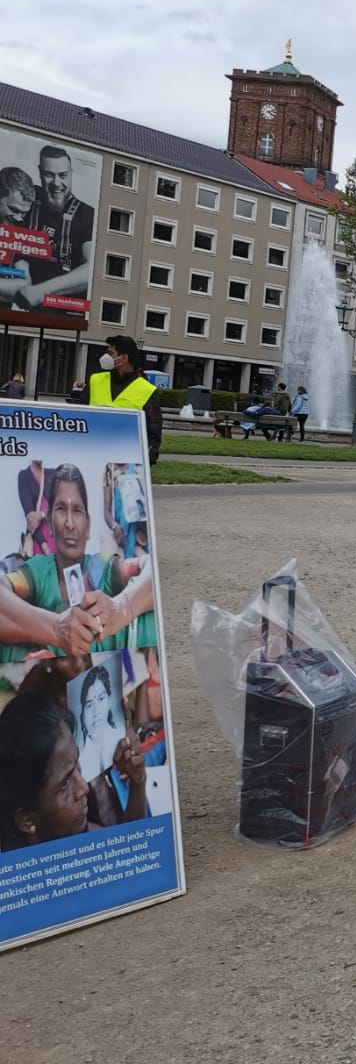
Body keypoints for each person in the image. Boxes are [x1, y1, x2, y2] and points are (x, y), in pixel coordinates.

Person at [0, 463, 157, 664]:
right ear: (50, 523)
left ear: (88, 526)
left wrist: (121, 609)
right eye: (61, 509)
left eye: (77, 511)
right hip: (49, 677)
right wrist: (57, 629)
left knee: (147, 610)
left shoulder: (101, 568)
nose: (70, 523)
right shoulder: (38, 573)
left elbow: (152, 569)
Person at [0, 691, 145, 852]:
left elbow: (130, 854)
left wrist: (137, 783)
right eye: (65, 784)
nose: (84, 787)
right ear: (27, 820)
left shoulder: (78, 835)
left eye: (76, 763)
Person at [13, 146, 94, 313]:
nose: (57, 183)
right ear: (39, 172)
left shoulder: (87, 214)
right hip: (23, 306)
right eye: (49, 175)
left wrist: (39, 292)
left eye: (63, 175)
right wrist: (24, 281)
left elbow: (90, 269)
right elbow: (15, 245)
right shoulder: (28, 199)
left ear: (71, 173)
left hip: (68, 312)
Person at [89, 335, 162, 463]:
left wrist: (147, 461)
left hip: (126, 459)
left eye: (110, 353)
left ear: (123, 358)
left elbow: (153, 431)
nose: (105, 357)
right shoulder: (95, 379)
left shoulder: (147, 390)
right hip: (93, 453)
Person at [73, 663, 122, 781]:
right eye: (89, 705)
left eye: (101, 699)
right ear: (83, 715)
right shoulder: (80, 765)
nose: (96, 712)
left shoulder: (123, 738)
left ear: (109, 701)